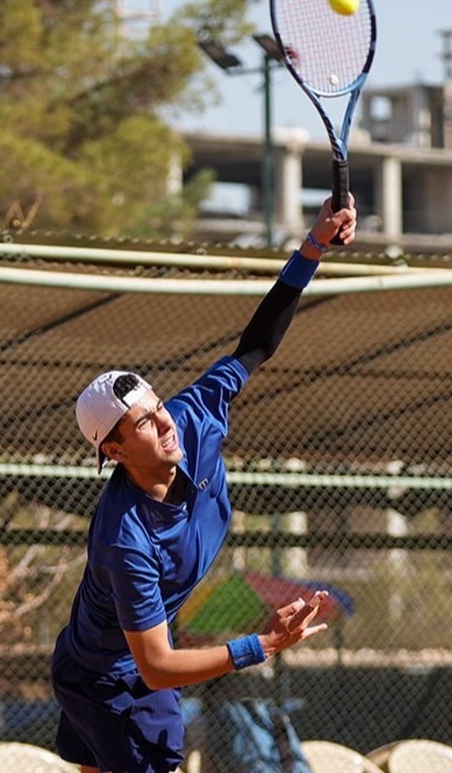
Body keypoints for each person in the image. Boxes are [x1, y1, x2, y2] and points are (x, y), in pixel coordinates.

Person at [50, 198, 357, 773]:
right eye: (143, 422)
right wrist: (261, 646)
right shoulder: (126, 538)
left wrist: (313, 246)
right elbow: (158, 667)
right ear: (113, 452)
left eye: (158, 406)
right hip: (109, 679)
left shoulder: (192, 420)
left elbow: (256, 344)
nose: (164, 422)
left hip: (98, 659)